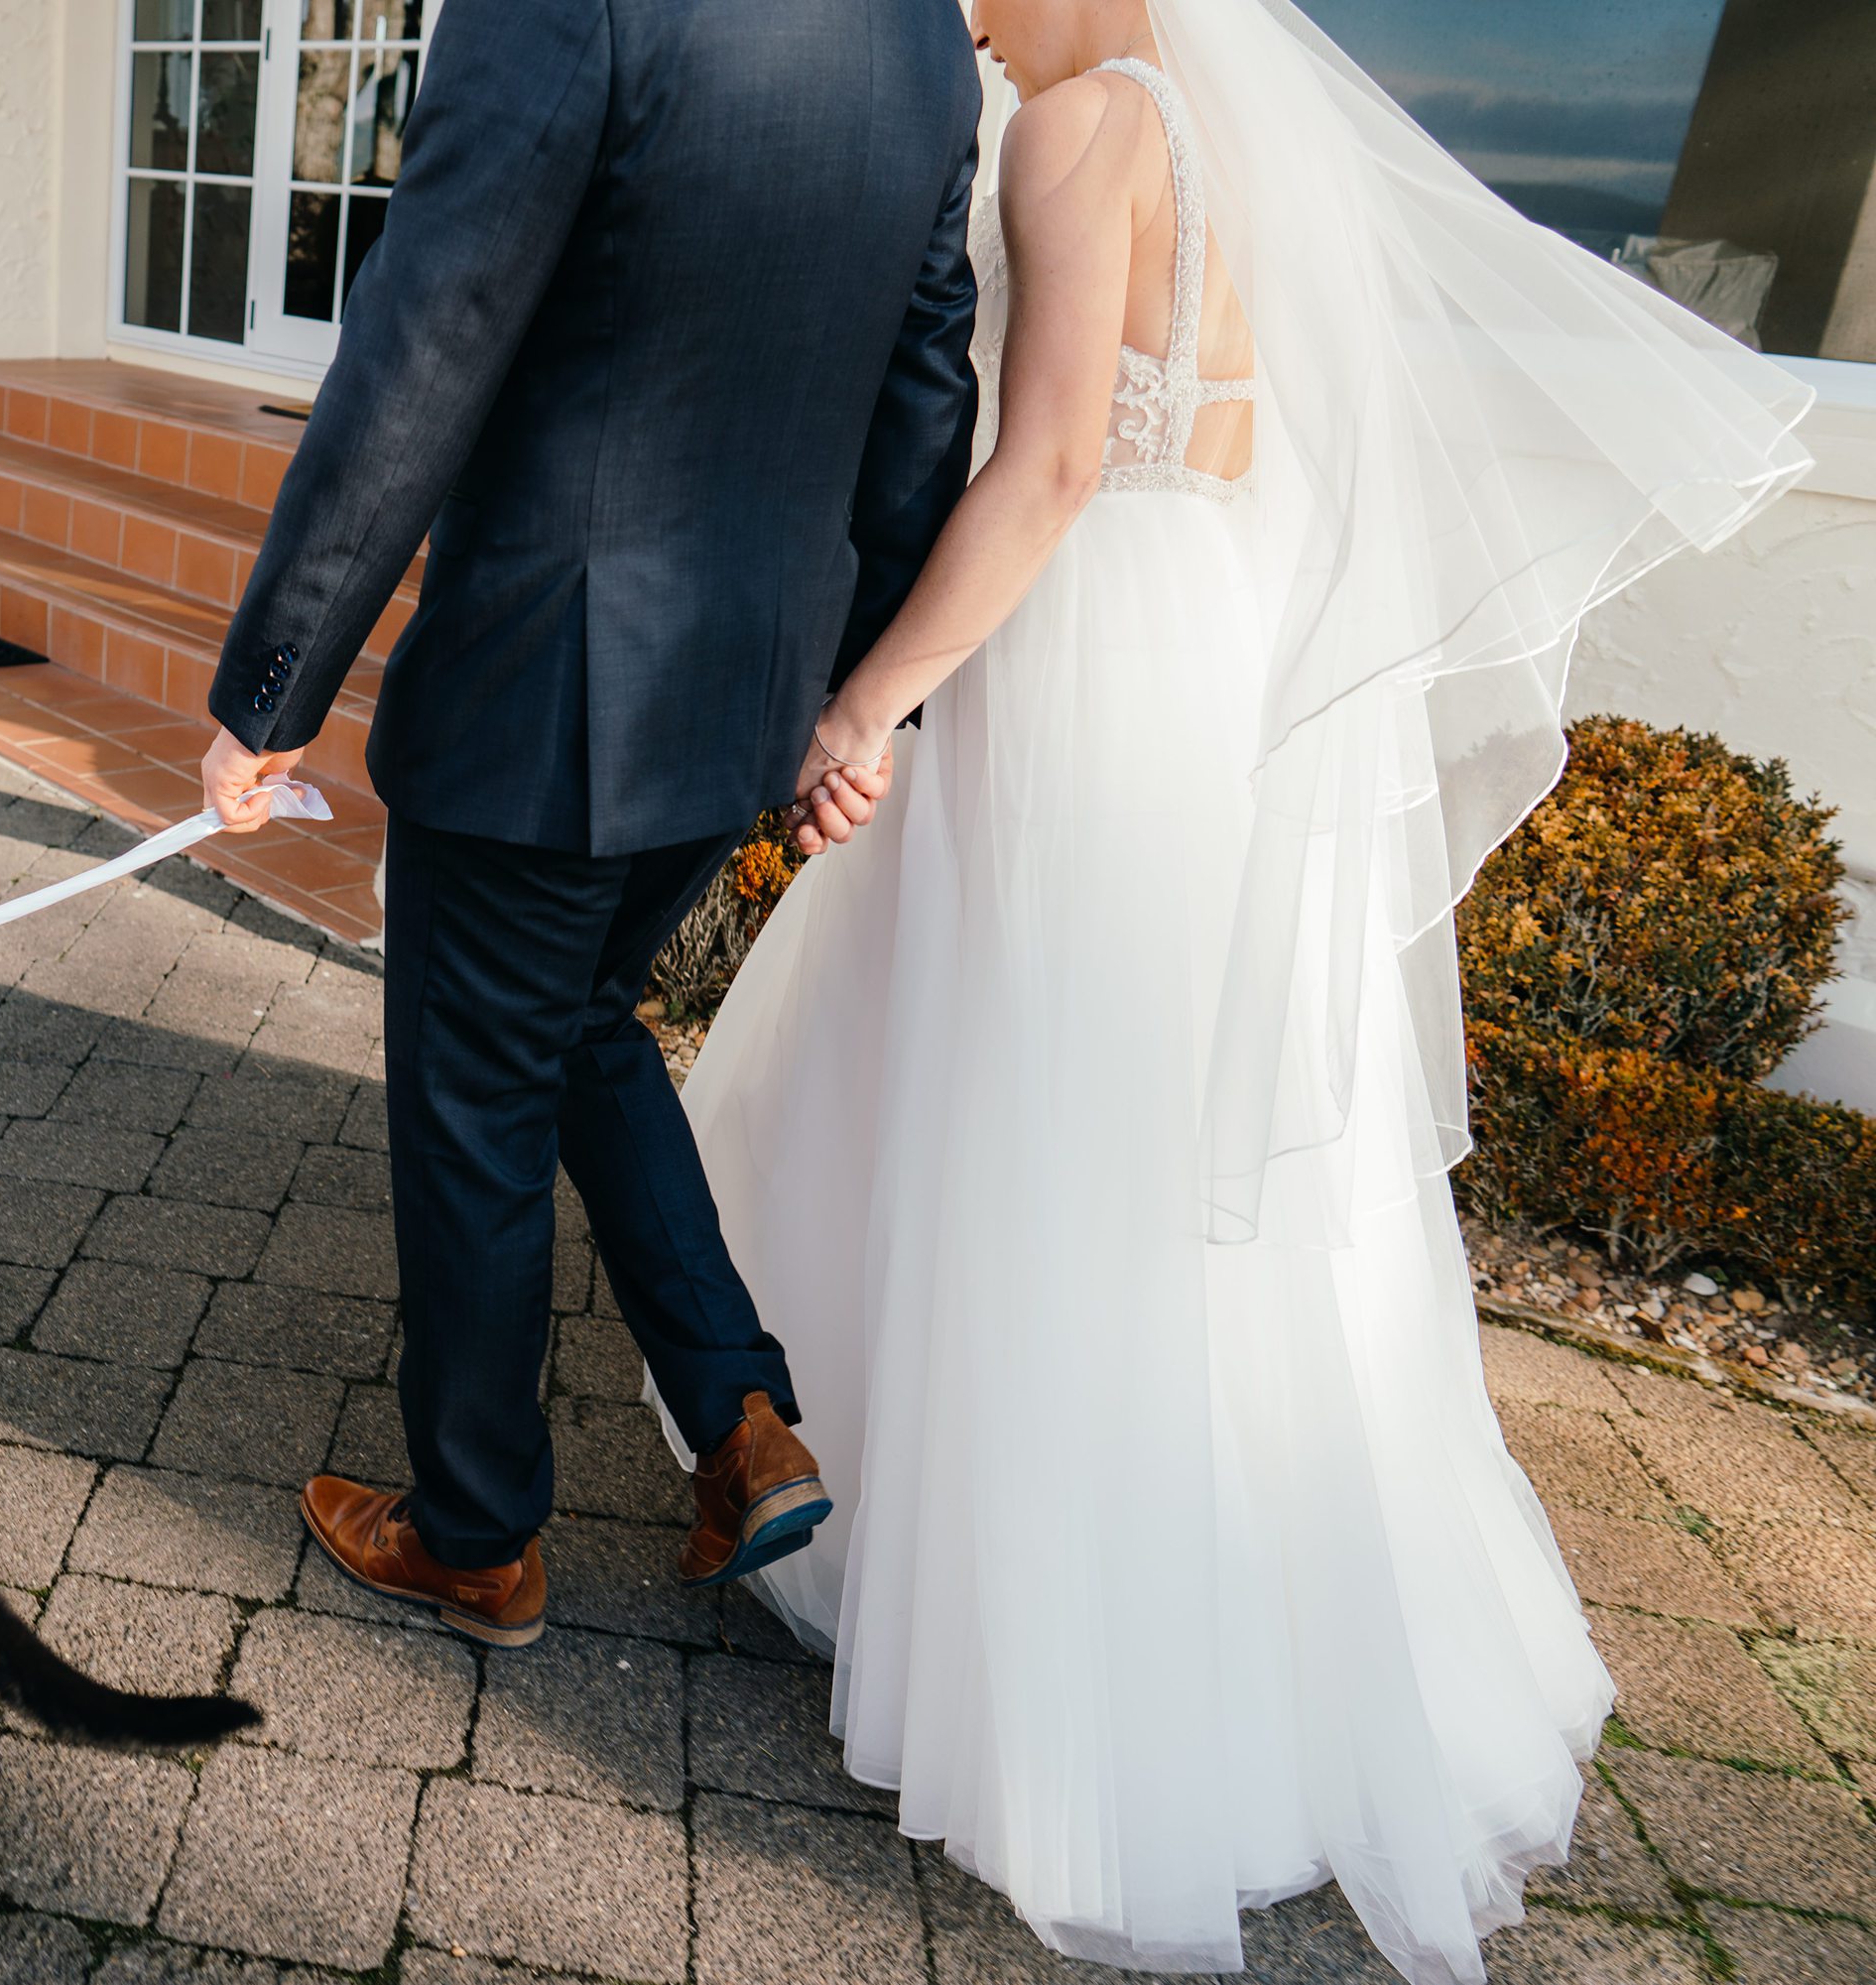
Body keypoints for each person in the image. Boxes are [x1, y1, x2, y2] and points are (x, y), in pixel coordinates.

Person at [675, 0, 1814, 1978]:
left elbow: (1037, 477)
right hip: (1209, 661)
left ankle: (1067, 1696)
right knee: (1209, 1165)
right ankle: (1276, 1658)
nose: (959, 15)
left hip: (1081, 664)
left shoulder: (1072, 134)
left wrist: (868, 696)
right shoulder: (1241, 152)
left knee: (1043, 1132)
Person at [197, 0, 986, 1647]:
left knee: (475, 1098)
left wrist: (274, 689)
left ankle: (478, 1533)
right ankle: (742, 1420)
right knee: (575, 1025)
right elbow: (927, 384)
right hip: (750, 690)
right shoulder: (918, 36)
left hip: (551, 688)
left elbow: (429, 335)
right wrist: (856, 693)